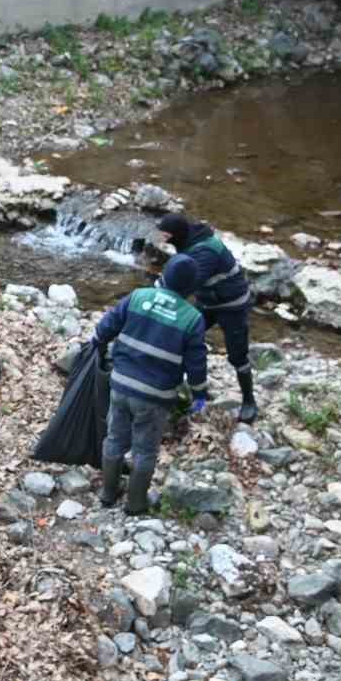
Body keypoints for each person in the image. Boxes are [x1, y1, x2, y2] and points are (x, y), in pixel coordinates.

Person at [94, 256, 210, 515]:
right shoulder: (192, 319)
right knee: (144, 450)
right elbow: (196, 363)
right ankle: (135, 504)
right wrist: (199, 393)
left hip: (121, 385)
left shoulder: (138, 297)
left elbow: (106, 327)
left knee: (114, 439)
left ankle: (107, 493)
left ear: (164, 276)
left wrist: (97, 343)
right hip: (155, 396)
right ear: (191, 288)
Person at [157, 213, 258, 423]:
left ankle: (249, 401)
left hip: (232, 304)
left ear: (176, 234)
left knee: (237, 355)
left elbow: (185, 283)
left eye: (166, 236)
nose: (162, 240)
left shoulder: (205, 252)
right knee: (183, 338)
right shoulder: (188, 239)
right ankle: (196, 392)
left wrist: (156, 297)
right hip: (208, 301)